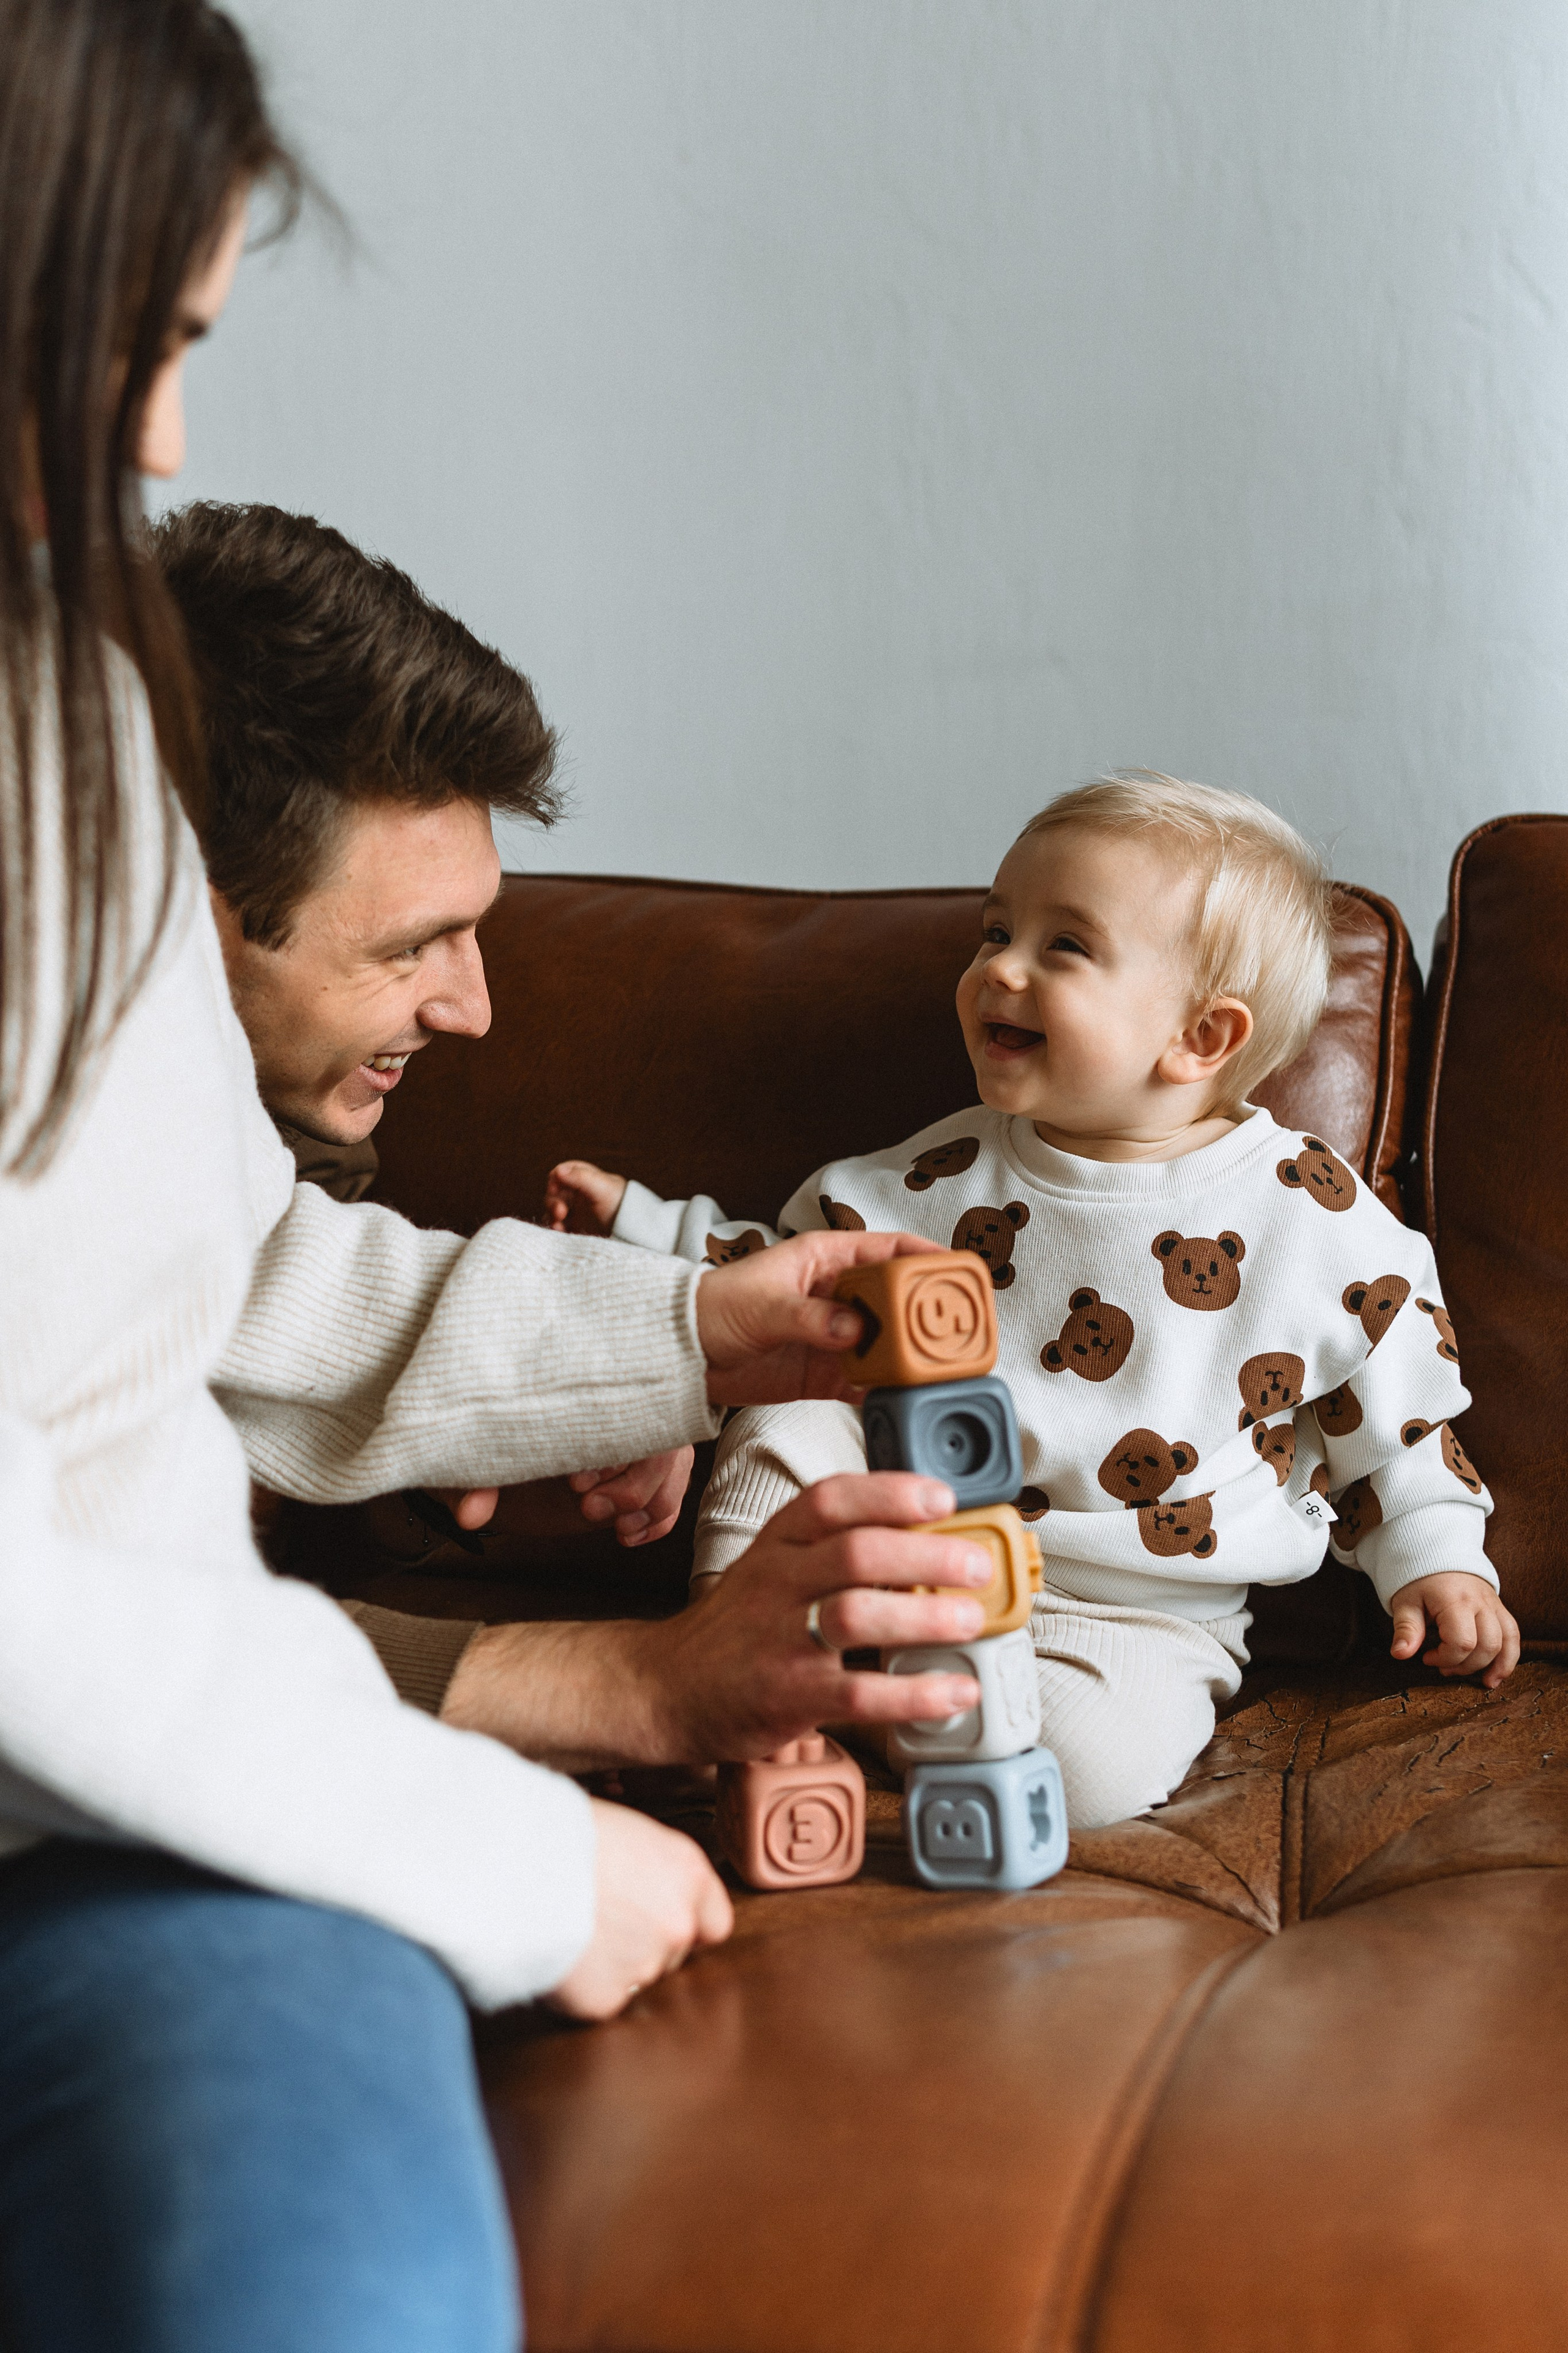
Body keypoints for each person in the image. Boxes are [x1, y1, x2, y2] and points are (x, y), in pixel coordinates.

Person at [0, 6, 991, 2347]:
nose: (151, 439)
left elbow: (218, 1282)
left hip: (127, 1861)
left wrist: (694, 1326)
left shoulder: (74, 726)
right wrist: (514, 1838)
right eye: (124, 337)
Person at [147, 498, 994, 1756]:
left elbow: (268, 1288)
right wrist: (631, 1687)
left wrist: (680, 1347)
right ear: (182, 924)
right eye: (408, 947)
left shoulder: (242, 1094)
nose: (473, 1008)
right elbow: (105, 1648)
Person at [548, 773, 1521, 1828]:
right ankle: (733, 1671)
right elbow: (779, 1275)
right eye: (994, 931)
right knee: (796, 1403)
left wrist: (1439, 1565)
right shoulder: (942, 1174)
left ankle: (888, 1711)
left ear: (1201, 1036)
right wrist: (643, 1227)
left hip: (1126, 1616)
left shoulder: (1316, 1223)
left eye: (1063, 947)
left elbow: (1399, 1430)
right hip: (904, 1548)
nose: (997, 969)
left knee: (1091, 1775)